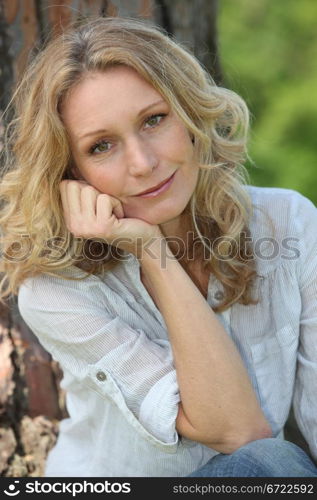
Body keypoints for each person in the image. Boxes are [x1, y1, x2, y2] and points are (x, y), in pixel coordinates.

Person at [0, 16, 316, 478]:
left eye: (154, 120)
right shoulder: (56, 290)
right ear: (72, 175)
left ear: (189, 114)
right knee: (270, 462)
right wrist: (152, 250)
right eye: (101, 146)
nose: (143, 163)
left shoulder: (288, 224)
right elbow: (236, 431)